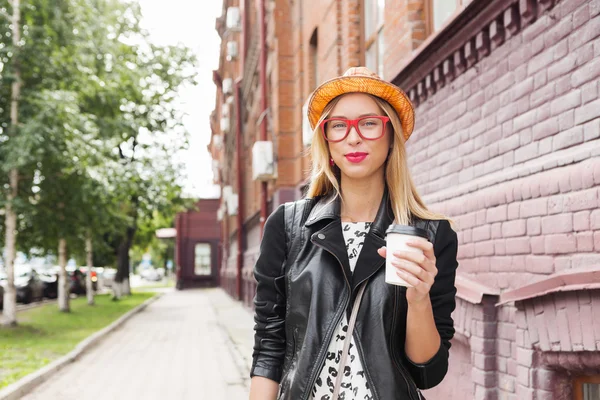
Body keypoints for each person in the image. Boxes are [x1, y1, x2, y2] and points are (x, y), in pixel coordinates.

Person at [249, 67, 459, 400]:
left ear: (391, 137)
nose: (353, 137)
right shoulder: (288, 227)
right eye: (338, 126)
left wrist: (418, 300)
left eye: (369, 123)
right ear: (326, 141)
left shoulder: (430, 234)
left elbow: (427, 373)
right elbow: (269, 347)